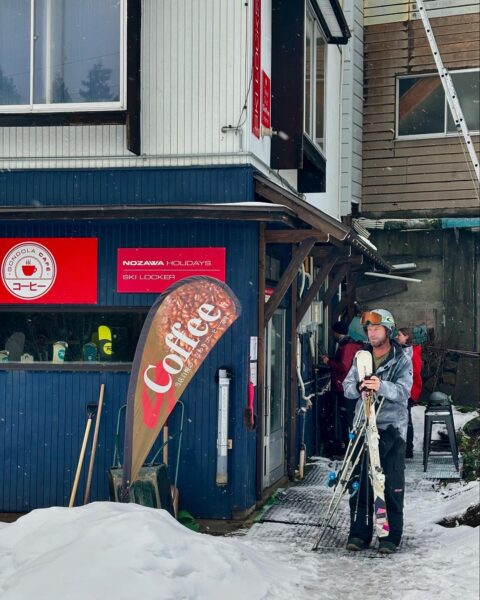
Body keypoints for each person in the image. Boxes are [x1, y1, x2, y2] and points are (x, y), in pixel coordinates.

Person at [342, 309, 413, 555]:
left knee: (390, 484)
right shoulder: (362, 357)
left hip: (392, 429)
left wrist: (381, 386)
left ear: (388, 331)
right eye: (369, 329)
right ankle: (359, 533)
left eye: (376, 329)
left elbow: (404, 392)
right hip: (364, 426)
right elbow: (347, 386)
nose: (371, 333)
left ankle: (390, 535)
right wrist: (359, 387)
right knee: (360, 483)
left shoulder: (401, 359)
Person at [320, 321, 363, 448]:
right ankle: (350, 442)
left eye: (334, 332)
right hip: (347, 386)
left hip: (343, 386)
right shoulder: (350, 345)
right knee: (348, 417)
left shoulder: (346, 347)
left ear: (338, 333)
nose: (332, 335)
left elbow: (344, 366)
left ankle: (350, 444)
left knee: (347, 418)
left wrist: (329, 362)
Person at [396, 327, 423, 458]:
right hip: (405, 388)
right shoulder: (404, 350)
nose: (397, 337)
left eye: (399, 335)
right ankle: (406, 449)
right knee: (404, 419)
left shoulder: (412, 352)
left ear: (406, 336)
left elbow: (416, 371)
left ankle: (408, 449)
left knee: (406, 420)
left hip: (409, 389)